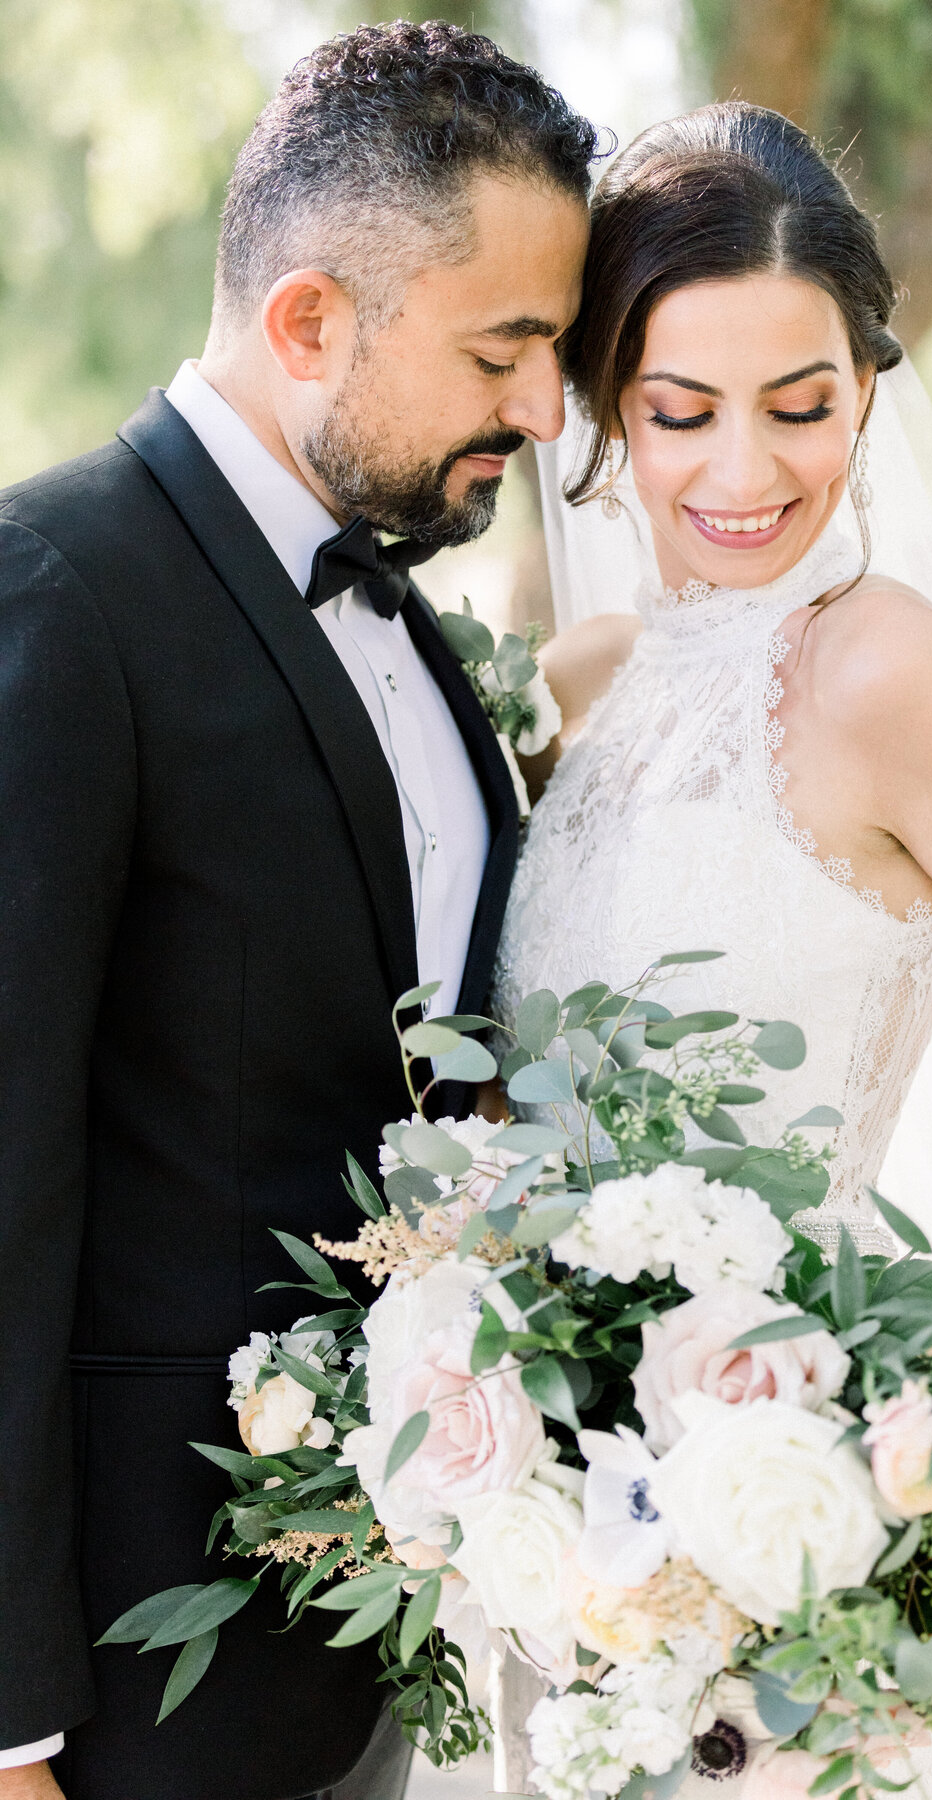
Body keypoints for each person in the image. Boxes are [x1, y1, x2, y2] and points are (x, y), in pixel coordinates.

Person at [496, 103, 932, 1797]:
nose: (745, 472)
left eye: (801, 407)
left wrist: (913, 1346)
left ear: (870, 396)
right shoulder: (579, 683)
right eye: (681, 412)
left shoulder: (886, 675)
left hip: (771, 1534)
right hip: (549, 1546)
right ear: (601, 414)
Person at [0, 21, 593, 1800]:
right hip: (123, 1682)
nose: (547, 412)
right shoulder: (57, 594)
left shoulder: (414, 629)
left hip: (368, 1640)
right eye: (508, 349)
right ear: (310, 322)